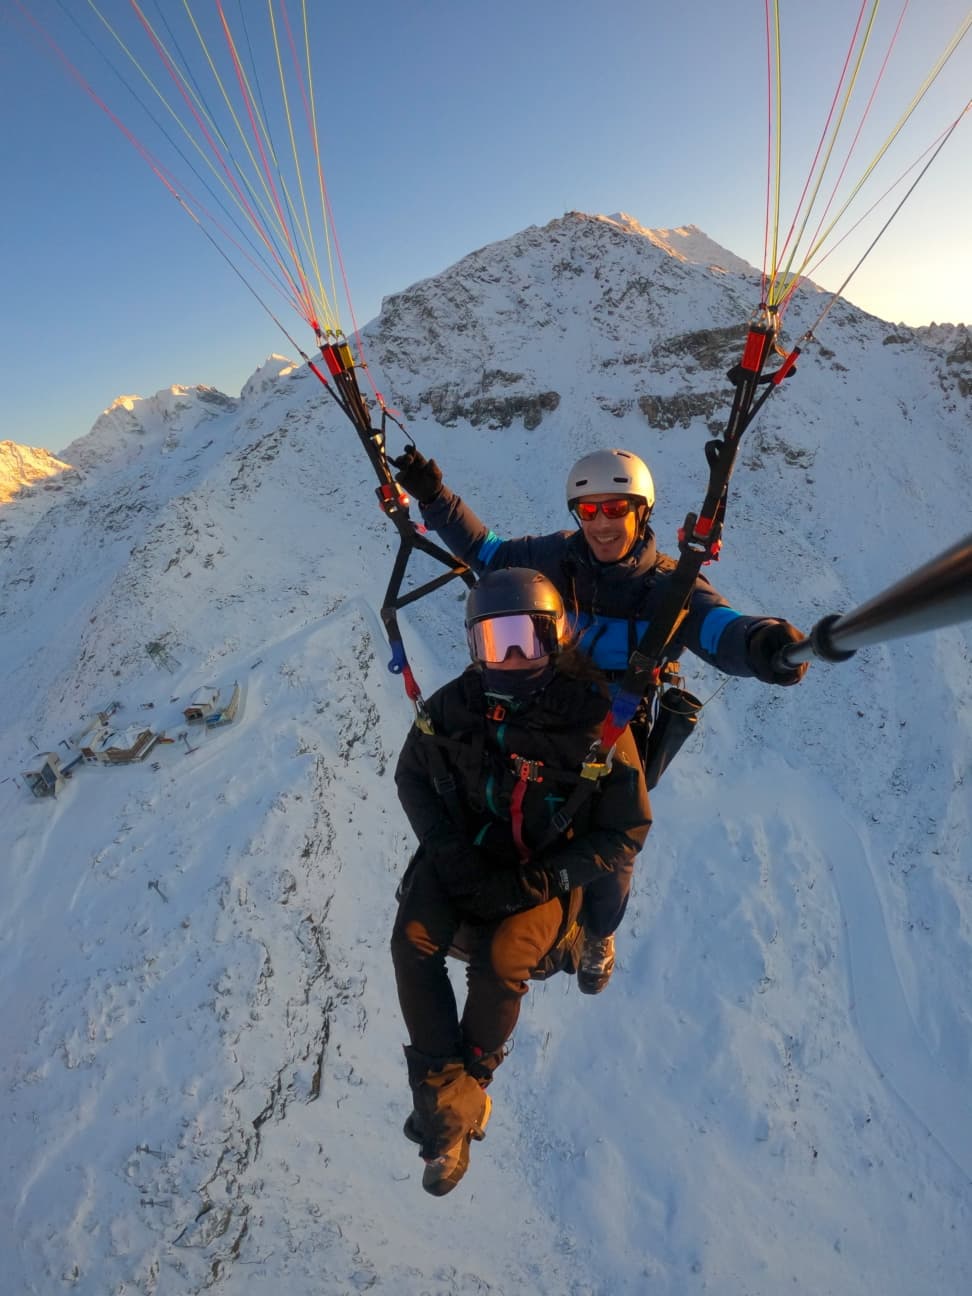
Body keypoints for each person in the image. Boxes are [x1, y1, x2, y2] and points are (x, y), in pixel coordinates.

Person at [392, 445, 809, 993]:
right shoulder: (555, 559)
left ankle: (598, 932)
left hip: (614, 738)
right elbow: (485, 552)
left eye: (616, 508)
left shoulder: (667, 588)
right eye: (589, 511)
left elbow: (718, 628)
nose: (603, 522)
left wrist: (762, 644)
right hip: (545, 719)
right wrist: (434, 495)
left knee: (611, 854)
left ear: (642, 512)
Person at [391, 567, 651, 1196]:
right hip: (467, 850)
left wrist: (541, 881)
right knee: (412, 942)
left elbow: (625, 829)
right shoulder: (457, 705)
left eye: (522, 639)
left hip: (545, 868)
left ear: (554, 637)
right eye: (492, 642)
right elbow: (412, 777)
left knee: (505, 956)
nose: (506, 657)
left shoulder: (593, 723)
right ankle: (453, 1098)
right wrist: (452, 856)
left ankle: (460, 1093)